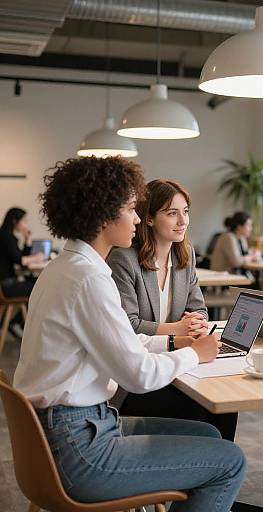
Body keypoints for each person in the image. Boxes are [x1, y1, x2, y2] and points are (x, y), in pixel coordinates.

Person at [13, 156, 245, 511]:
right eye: (129, 209)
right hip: (81, 448)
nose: (138, 218)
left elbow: (124, 340)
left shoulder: (66, 267)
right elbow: (138, 375)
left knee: (209, 435)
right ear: (103, 213)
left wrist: (176, 342)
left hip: (66, 432)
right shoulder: (89, 279)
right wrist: (194, 354)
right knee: (229, 461)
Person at [107, 179, 237, 440]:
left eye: (185, 211)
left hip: (178, 361)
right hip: (136, 377)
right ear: (150, 218)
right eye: (172, 213)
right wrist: (177, 329)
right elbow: (128, 326)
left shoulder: (184, 255)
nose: (182, 221)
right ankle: (196, 469)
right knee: (199, 410)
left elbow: (199, 308)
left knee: (226, 402)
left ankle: (213, 470)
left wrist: (197, 322)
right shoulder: (124, 259)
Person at [0, 207, 45, 338]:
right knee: (40, 288)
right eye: (24, 221)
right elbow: (20, 260)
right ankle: (15, 323)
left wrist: (28, 239)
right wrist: (36, 258)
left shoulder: (8, 236)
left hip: (7, 283)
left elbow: (21, 256)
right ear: (15, 221)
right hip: (5, 286)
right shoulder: (6, 236)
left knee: (37, 283)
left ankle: (16, 323)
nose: (26, 224)